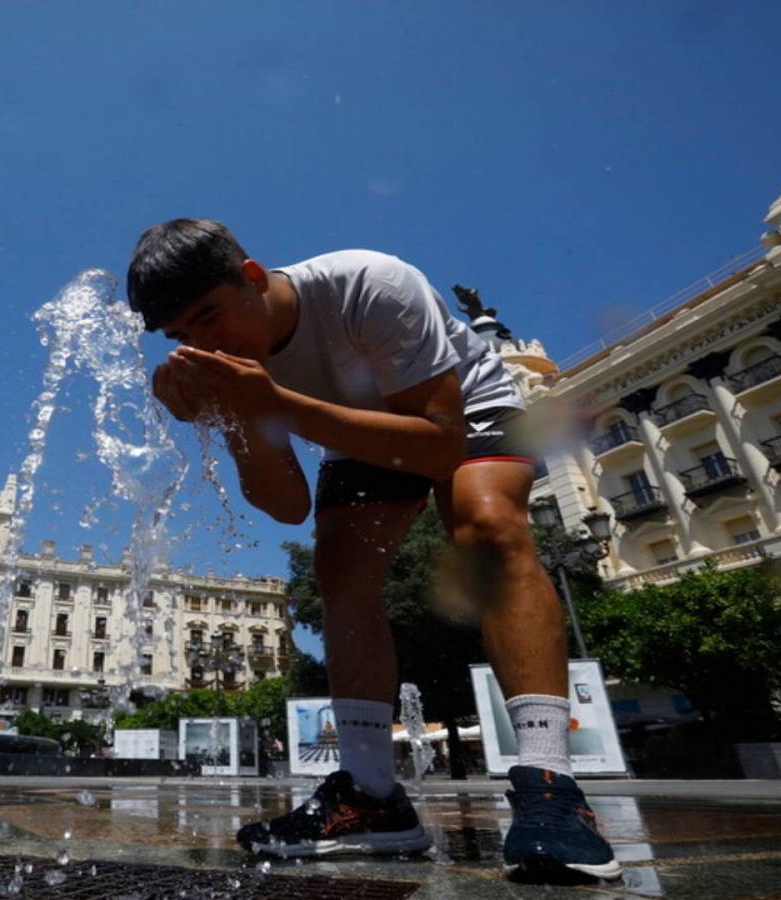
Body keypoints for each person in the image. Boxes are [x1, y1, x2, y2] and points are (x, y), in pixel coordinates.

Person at [127, 219, 620, 883]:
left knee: (486, 524)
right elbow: (286, 505)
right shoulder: (232, 364)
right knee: (339, 569)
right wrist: (232, 412)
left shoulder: (369, 284)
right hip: (358, 430)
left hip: (461, 412)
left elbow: (440, 447)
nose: (205, 343)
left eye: (210, 316)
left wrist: (272, 400)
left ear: (251, 276)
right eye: (184, 336)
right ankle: (371, 795)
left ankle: (551, 784)